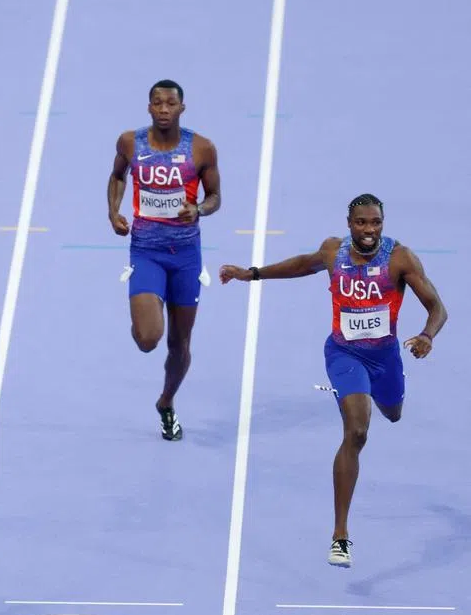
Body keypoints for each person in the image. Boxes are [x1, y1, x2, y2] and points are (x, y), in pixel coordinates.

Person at [219, 193, 447, 568]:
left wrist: (426, 336)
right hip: (344, 355)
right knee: (357, 431)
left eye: (375, 222)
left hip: (385, 357)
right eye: (362, 223)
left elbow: (437, 307)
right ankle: (340, 535)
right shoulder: (332, 252)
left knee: (393, 412)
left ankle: (381, 395)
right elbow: (301, 265)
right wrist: (253, 273)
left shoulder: (400, 258)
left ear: (382, 223)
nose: (369, 230)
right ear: (349, 224)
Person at [106, 79, 222, 440]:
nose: (164, 109)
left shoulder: (201, 148)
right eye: (157, 103)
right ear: (149, 107)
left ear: (181, 108)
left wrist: (199, 208)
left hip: (186, 255)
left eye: (171, 104)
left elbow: (216, 195)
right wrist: (113, 212)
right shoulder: (130, 142)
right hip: (146, 250)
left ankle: (167, 401)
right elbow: (117, 176)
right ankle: (144, 311)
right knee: (147, 338)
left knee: (179, 345)